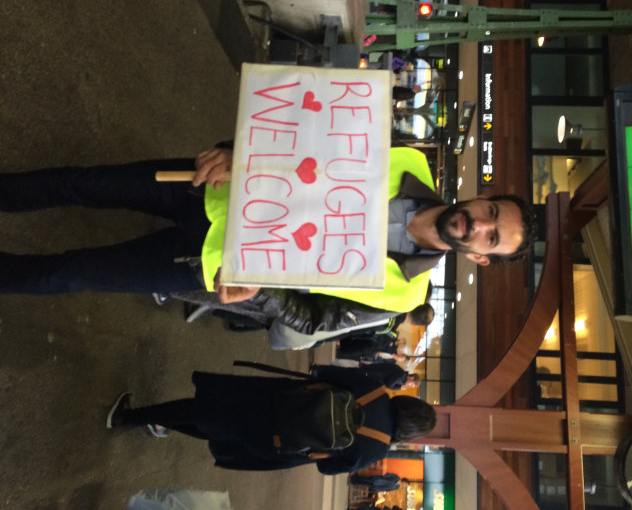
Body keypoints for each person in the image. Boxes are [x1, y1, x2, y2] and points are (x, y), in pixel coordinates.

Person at [0, 144, 536, 348]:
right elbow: (306, 139)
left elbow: (319, 320)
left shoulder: (402, 294)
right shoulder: (409, 162)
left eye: (491, 237)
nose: (478, 225)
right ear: (483, 197)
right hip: (211, 187)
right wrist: (238, 149)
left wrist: (267, 294)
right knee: (80, 182)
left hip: (208, 264)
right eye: (490, 213)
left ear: (482, 257)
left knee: (68, 275)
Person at [105, 365, 436, 474]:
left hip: (274, 399)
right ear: (409, 434)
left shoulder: (374, 391)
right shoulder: (376, 451)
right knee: (218, 431)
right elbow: (326, 466)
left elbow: (324, 372)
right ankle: (157, 422)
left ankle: (129, 417)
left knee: (205, 409)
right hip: (280, 440)